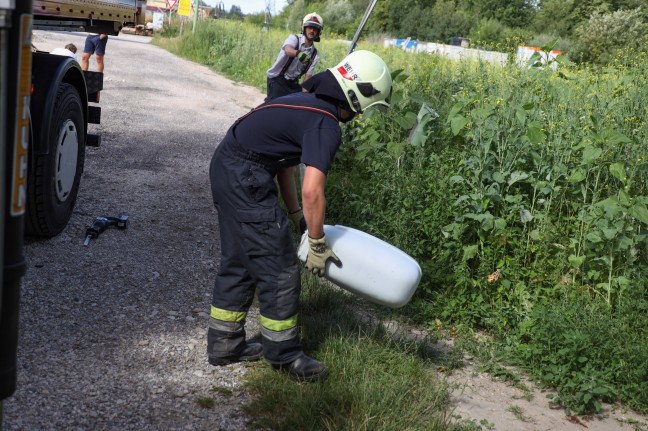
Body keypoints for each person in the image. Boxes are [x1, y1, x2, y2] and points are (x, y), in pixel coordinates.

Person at [207, 50, 392, 382]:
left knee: (239, 259)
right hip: (245, 174)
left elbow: (284, 164)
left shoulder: (300, 102)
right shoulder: (325, 123)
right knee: (279, 267)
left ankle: (225, 344)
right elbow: (312, 190)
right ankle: (285, 355)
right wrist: (318, 243)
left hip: (226, 165)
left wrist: (296, 216)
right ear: (358, 96)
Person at [265, 13, 323, 101]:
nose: (312, 31)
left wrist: (304, 97)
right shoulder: (294, 38)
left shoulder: (314, 54)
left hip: (293, 84)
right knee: (274, 108)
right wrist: (298, 53)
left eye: (315, 29)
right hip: (277, 79)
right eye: (309, 27)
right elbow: (288, 50)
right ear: (304, 28)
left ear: (319, 32)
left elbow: (307, 79)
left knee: (297, 108)